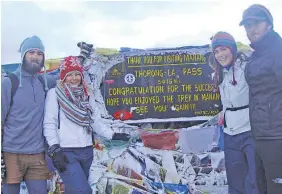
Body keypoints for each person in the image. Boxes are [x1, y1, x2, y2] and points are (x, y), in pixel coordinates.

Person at [43, 56, 131, 193]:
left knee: (74, 190)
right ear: (63, 76)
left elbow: (95, 121)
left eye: (77, 74)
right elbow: (50, 123)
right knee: (83, 191)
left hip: (86, 151)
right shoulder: (54, 94)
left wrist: (113, 135)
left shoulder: (87, 94)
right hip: (65, 152)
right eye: (69, 74)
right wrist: (54, 147)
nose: (74, 78)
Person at [1, 35, 58, 194]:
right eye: (31, 52)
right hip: (12, 153)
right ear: (23, 55)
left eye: (39, 53)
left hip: (37, 154)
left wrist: (82, 58)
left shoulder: (43, 82)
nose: (35, 57)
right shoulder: (8, 83)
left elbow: (68, 75)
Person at [239, 4, 282, 194]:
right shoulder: (256, 56)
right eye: (247, 25)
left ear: (269, 25)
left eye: (256, 23)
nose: (251, 29)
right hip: (258, 134)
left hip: (277, 136)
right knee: (263, 187)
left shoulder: (278, 52)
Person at [211, 31, 259, 194]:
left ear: (232, 49)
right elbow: (226, 101)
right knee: (235, 180)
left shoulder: (248, 66)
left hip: (250, 130)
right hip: (230, 133)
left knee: (254, 179)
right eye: (216, 51)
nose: (220, 55)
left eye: (223, 49)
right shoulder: (219, 73)